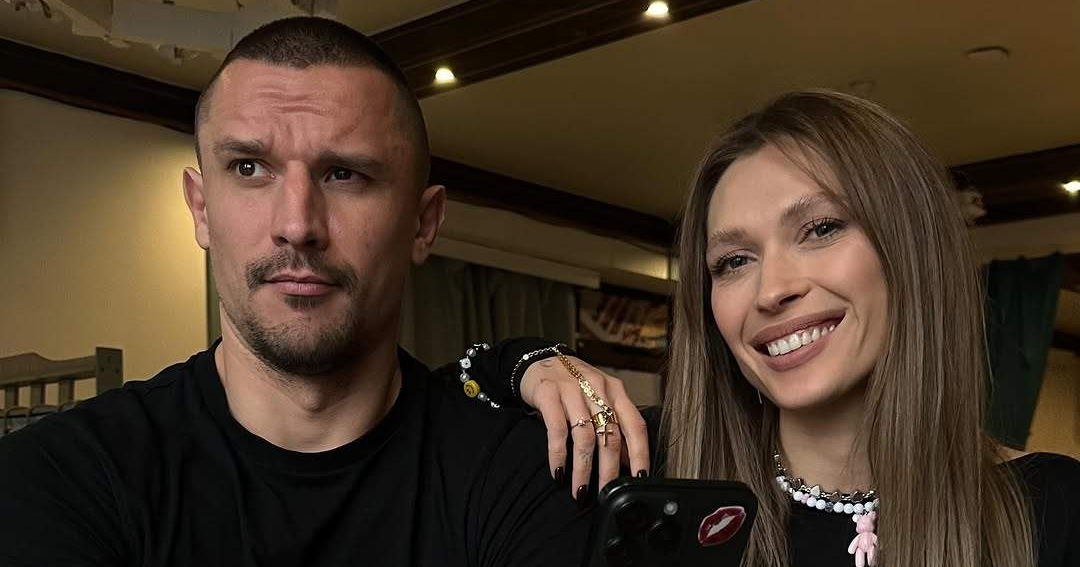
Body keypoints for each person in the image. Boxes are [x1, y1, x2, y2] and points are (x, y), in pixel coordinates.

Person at [0, 17, 647, 566]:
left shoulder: (527, 474)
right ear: (201, 209)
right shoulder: (61, 477)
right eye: (249, 168)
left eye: (344, 174)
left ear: (423, 224)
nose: (297, 224)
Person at [492, 91, 1080, 566]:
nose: (771, 290)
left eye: (820, 229)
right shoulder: (645, 482)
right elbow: (451, 405)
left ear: (911, 251)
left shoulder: (1054, 510)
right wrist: (527, 365)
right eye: (733, 261)